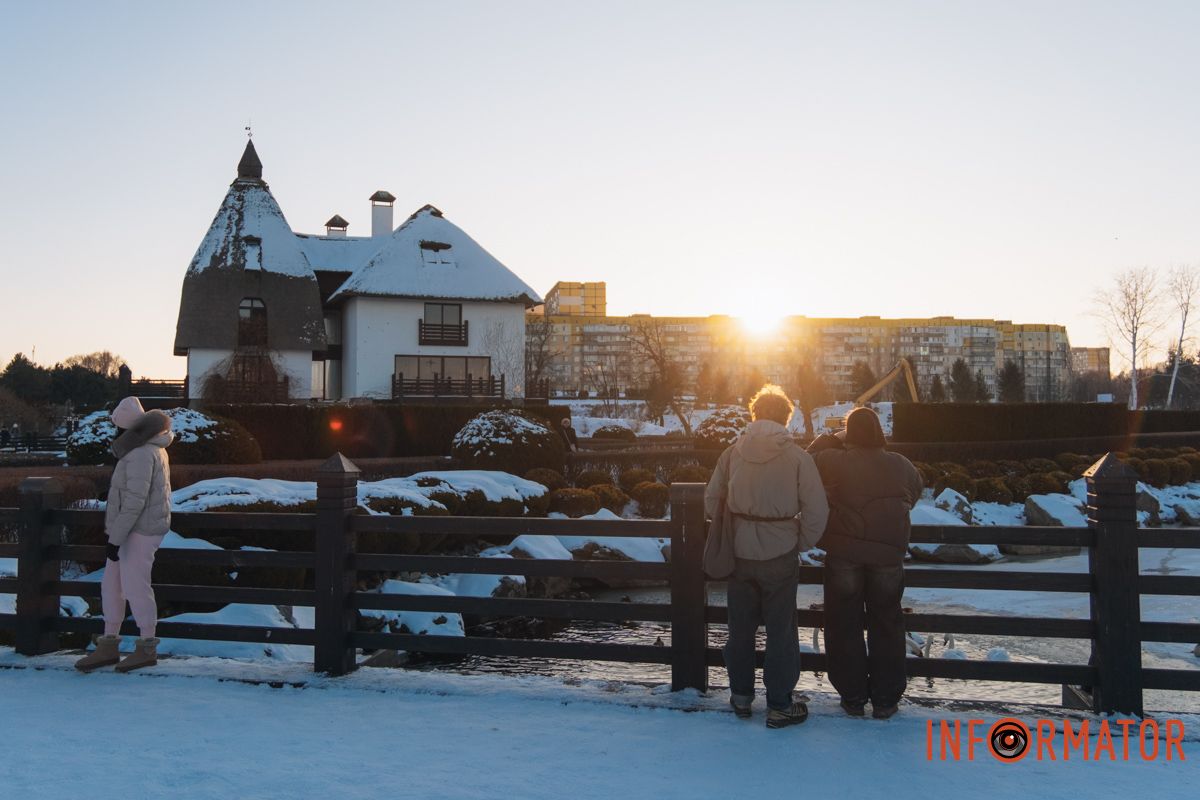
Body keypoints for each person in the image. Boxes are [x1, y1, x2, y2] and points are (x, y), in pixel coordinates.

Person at [704, 384, 829, 728]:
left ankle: (741, 696)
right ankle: (779, 704)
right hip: (780, 552)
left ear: (755, 414)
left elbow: (711, 498)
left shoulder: (733, 452)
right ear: (786, 417)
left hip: (740, 551)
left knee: (740, 629)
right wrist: (798, 540)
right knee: (781, 632)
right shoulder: (798, 457)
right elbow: (817, 509)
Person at [809, 407, 922, 719]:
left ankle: (853, 695)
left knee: (843, 622)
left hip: (845, 554)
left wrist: (831, 437)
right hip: (888, 557)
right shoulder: (901, 464)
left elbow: (808, 459)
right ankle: (886, 698)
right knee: (887, 622)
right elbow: (915, 492)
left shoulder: (835, 462)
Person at [75, 397, 174, 673]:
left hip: (139, 530)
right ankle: (109, 643)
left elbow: (135, 501)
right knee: (112, 585)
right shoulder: (145, 449)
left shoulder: (142, 453)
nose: (114, 432)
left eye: (117, 426)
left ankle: (146, 646)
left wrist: (114, 539)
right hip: (130, 529)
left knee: (135, 585)